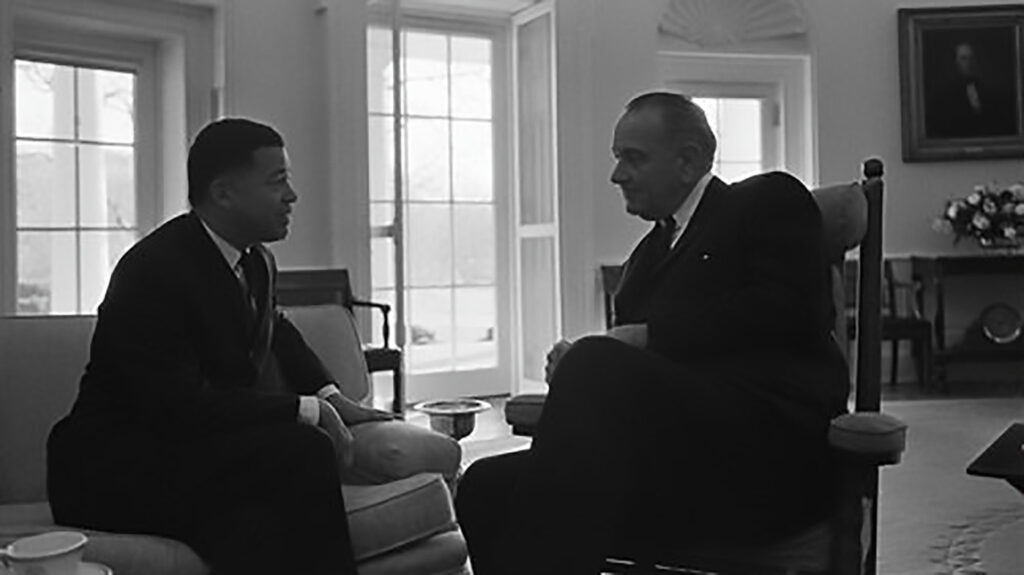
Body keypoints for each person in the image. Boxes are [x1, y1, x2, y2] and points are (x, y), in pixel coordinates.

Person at [454, 92, 849, 574]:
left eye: (632, 158)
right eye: (618, 158)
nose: (617, 175)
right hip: (670, 466)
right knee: (485, 485)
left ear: (688, 161)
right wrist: (582, 364)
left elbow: (791, 311)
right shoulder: (644, 261)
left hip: (765, 458)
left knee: (594, 364)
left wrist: (638, 341)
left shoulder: (766, 201)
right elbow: (638, 375)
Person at [47, 118, 393, 575]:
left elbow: (277, 330)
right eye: (278, 180)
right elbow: (174, 406)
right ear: (225, 192)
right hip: (116, 464)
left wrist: (332, 398)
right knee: (303, 449)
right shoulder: (153, 270)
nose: (292, 195)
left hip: (193, 452)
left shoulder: (255, 260)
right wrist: (306, 410)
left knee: (253, 530)